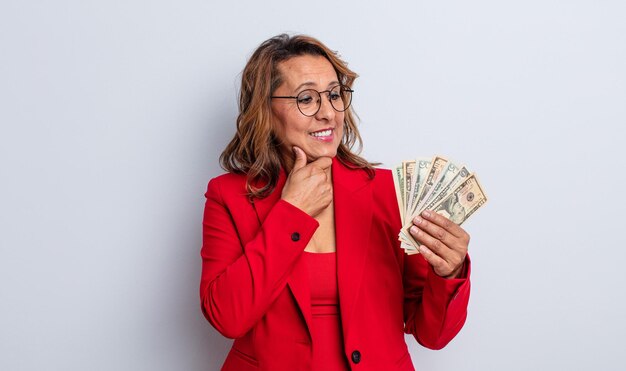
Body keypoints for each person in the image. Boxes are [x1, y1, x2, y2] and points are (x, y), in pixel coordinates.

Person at [200, 34, 471, 371]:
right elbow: (228, 318)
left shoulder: (389, 192)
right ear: (266, 109)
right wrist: (292, 213)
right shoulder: (228, 196)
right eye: (307, 98)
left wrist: (449, 274)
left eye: (333, 95)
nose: (328, 112)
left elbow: (432, 334)